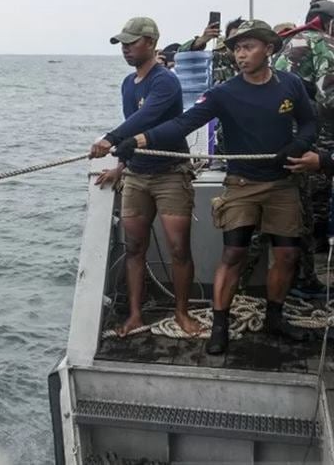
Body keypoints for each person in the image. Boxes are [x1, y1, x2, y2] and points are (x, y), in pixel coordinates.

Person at [110, 20, 317, 355]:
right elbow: (183, 123)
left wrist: (300, 144)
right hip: (241, 184)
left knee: (287, 254)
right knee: (233, 254)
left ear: (269, 48)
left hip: (282, 183)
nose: (240, 54)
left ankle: (274, 317)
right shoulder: (224, 93)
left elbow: (309, 122)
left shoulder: (291, 86)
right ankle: (220, 325)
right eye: (236, 48)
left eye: (248, 47)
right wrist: (138, 140)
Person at [89, 17, 201, 337]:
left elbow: (147, 117)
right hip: (137, 174)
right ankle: (135, 314)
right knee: (134, 247)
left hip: (170, 174)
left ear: (151, 42)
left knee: (179, 248)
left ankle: (182, 312)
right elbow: (133, 127)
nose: (125, 48)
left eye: (131, 42)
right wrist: (120, 166)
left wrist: (109, 139)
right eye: (122, 43)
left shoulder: (165, 81)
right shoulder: (128, 83)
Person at [274, 0, 334, 299]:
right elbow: (330, 97)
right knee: (308, 209)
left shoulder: (288, 42)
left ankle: (294, 280)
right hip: (310, 139)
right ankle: (303, 280)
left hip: (280, 137)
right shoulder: (323, 45)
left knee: (295, 209)